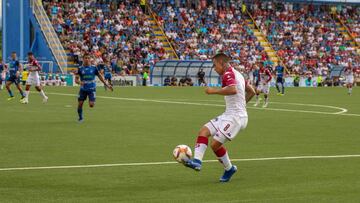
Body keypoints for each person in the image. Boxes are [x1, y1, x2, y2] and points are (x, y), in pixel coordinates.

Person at [184, 53, 256, 182]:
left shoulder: (229, 74)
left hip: (236, 117)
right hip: (230, 114)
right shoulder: (237, 74)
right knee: (204, 131)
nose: (214, 68)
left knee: (215, 144)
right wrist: (242, 105)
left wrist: (213, 91)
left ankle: (229, 169)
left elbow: (233, 90)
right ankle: (197, 161)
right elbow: (251, 91)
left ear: (222, 63)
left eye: (215, 65)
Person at [75, 54, 113, 122]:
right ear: (83, 59)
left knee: (91, 105)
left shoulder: (94, 68)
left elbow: (100, 77)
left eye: (88, 58)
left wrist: (107, 85)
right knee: (80, 104)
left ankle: (91, 99)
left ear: (90, 59)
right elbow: (76, 80)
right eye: (85, 58)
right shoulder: (80, 68)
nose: (87, 59)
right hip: (83, 89)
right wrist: (80, 82)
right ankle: (80, 118)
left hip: (92, 88)